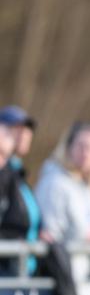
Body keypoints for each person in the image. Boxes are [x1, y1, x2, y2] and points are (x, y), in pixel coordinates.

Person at [34, 122, 90, 280]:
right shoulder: (55, 183)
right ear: (68, 147)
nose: (86, 153)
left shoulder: (85, 185)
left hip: (79, 273)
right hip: (59, 278)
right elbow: (52, 234)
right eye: (81, 146)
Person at [0, 106, 41, 274]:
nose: (25, 135)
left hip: (21, 263)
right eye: (15, 130)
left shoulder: (16, 170)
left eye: (27, 130)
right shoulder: (6, 170)